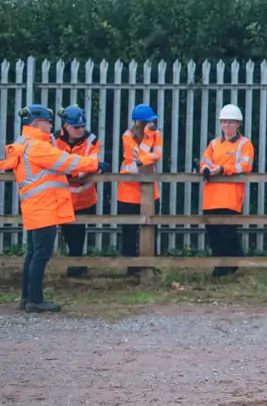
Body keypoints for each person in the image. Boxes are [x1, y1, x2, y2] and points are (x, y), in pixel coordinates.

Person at [0, 104, 108, 312]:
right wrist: (94, 164)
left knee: (34, 252)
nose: (51, 126)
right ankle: (35, 300)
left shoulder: (27, 143)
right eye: (48, 122)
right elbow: (66, 162)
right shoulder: (38, 147)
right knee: (41, 254)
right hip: (44, 205)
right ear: (37, 123)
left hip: (36, 205)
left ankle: (27, 298)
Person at [198, 103, 254, 277]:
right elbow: (204, 162)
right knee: (213, 232)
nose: (227, 126)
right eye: (224, 122)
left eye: (231, 122)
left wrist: (222, 169)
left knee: (227, 232)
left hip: (230, 197)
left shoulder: (245, 144)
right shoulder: (214, 144)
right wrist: (206, 170)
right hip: (211, 196)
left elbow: (245, 165)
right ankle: (229, 263)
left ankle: (224, 267)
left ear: (238, 124)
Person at [55, 105, 102, 277]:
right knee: (67, 232)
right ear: (65, 125)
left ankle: (77, 266)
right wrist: (79, 166)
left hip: (84, 197)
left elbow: (89, 167)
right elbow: (52, 165)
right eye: (76, 127)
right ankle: (75, 265)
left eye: (83, 126)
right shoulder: (53, 140)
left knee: (80, 232)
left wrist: (69, 169)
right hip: (63, 197)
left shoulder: (92, 140)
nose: (81, 130)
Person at [118, 103, 162, 265]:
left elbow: (157, 155)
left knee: (151, 228)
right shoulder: (127, 135)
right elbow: (138, 156)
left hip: (150, 190)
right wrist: (148, 139)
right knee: (129, 231)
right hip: (128, 191)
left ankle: (149, 265)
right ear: (140, 123)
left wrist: (143, 159)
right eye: (149, 122)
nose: (153, 125)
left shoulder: (156, 134)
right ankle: (130, 267)